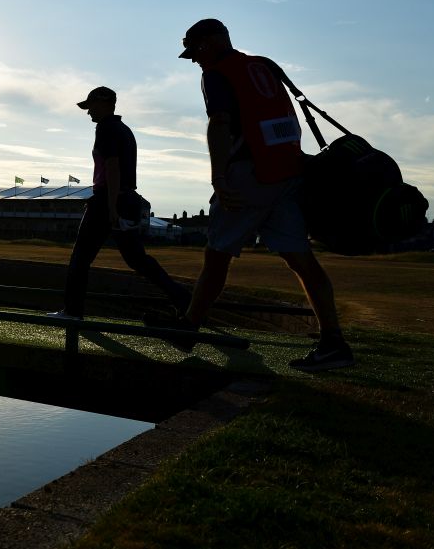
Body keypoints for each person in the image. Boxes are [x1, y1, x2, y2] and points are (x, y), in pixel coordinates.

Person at [177, 18, 354, 372]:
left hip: (251, 174)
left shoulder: (216, 73)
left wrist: (218, 176)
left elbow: (221, 123)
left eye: (195, 52)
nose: (194, 60)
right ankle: (334, 343)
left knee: (217, 256)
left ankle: (186, 331)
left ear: (209, 43)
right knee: (302, 261)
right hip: (289, 172)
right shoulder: (263, 66)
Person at [47, 86, 193, 350]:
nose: (88, 111)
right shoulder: (123, 129)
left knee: (80, 258)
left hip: (108, 201)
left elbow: (112, 168)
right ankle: (182, 297)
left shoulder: (105, 128)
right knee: (137, 259)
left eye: (90, 105)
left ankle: (73, 311)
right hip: (127, 200)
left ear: (104, 103)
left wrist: (111, 206)